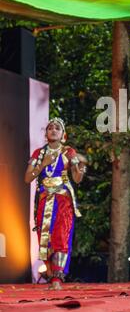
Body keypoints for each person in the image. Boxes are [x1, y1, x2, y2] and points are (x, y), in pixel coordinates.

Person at [25, 117, 87, 290]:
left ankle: (57, 278)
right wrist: (43, 164)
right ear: (46, 134)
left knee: (61, 235)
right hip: (44, 199)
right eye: (50, 128)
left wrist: (80, 170)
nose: (53, 130)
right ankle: (51, 274)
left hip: (63, 199)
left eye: (57, 128)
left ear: (63, 134)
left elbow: (76, 178)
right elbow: (27, 178)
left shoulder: (69, 152)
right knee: (44, 239)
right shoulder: (39, 153)